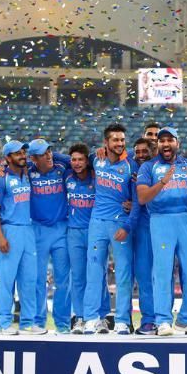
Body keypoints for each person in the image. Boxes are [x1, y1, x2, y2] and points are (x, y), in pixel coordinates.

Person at [137, 127, 187, 336]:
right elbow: (142, 198)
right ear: (157, 144)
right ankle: (163, 320)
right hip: (161, 220)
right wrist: (163, 182)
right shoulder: (148, 167)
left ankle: (186, 319)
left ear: (177, 142)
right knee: (162, 271)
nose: (166, 144)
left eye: (170, 140)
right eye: (162, 141)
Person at [84, 124, 141, 334]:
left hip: (120, 224)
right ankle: (92, 318)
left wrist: (128, 225)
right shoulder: (95, 159)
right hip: (97, 222)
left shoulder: (131, 166)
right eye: (115, 140)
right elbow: (71, 158)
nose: (120, 143)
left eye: (122, 140)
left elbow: (137, 201)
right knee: (94, 270)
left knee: (124, 273)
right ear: (106, 143)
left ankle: (122, 321)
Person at [0, 140, 45, 335]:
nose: (22, 155)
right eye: (17, 153)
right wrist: (0, 236)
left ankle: (27, 322)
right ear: (7, 158)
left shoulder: (27, 173)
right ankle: (3, 322)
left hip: (28, 230)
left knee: (29, 279)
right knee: (6, 280)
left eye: (23, 152)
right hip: (9, 230)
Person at [26, 138, 72, 334]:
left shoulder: (61, 166)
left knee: (63, 280)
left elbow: (82, 160)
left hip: (62, 229)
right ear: (33, 158)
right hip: (37, 230)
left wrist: (54, 154)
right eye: (43, 154)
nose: (49, 155)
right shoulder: (27, 170)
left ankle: (63, 324)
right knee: (37, 279)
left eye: (49, 151)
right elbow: (7, 167)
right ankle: (38, 322)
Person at [65, 144, 111, 334]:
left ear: (88, 161)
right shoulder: (66, 176)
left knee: (98, 274)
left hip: (95, 229)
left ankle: (101, 317)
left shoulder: (97, 177)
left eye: (81, 159)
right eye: (73, 160)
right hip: (74, 232)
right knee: (77, 276)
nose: (76, 163)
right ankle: (80, 317)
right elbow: (57, 159)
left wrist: (96, 154)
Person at [130, 137, 157, 335]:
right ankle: (144, 320)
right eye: (137, 152)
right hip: (135, 226)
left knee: (154, 276)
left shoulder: (158, 168)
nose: (140, 155)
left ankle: (157, 319)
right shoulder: (130, 167)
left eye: (144, 151)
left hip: (154, 226)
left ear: (152, 150)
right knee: (140, 276)